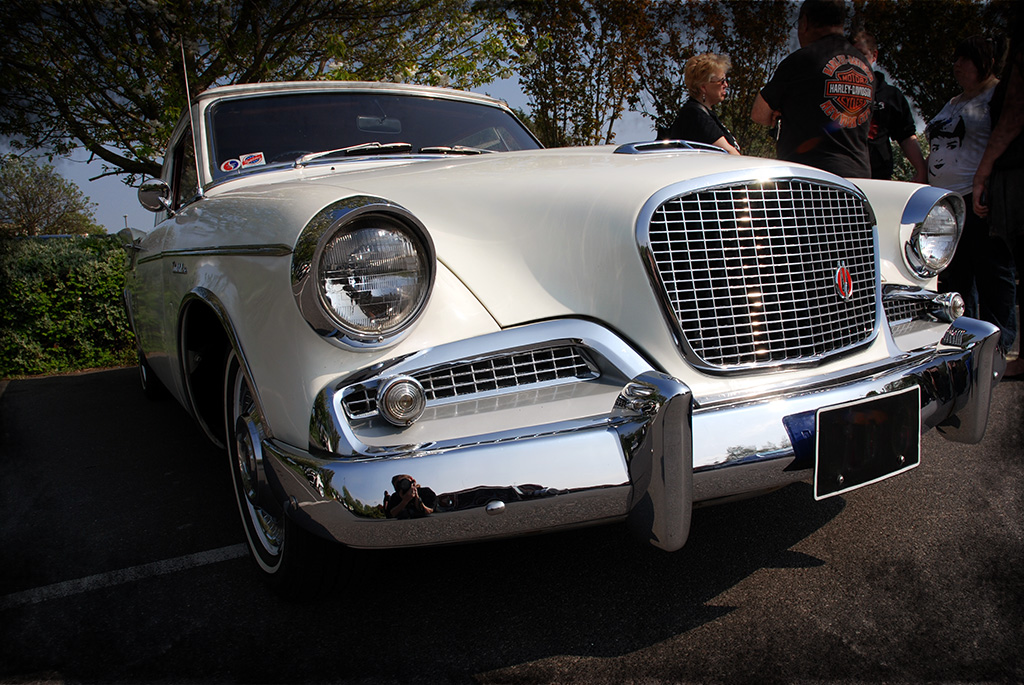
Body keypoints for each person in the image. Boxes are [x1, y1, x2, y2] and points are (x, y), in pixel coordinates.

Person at [928, 35, 1015, 356]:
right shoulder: (953, 102)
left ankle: (999, 345)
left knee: (992, 271)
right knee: (954, 275)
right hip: (946, 204)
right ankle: (963, 341)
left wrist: (988, 182)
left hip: (979, 197)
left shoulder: (998, 95)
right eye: (956, 59)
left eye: (964, 59)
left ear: (984, 62)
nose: (957, 66)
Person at [751, 0, 874, 177]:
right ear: (840, 22)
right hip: (857, 179)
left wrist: (783, 113)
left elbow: (759, 113)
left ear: (805, 23)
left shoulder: (801, 60)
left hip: (809, 180)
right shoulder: (865, 67)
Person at [973, 19, 1024, 375]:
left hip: (1015, 174)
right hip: (1011, 173)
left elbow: (1013, 117)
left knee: (1004, 264)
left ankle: (1013, 352)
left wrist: (984, 170)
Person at [851, 30, 928, 182]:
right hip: (843, 174)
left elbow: (906, 136)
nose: (857, 61)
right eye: (852, 55)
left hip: (879, 177)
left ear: (874, 56)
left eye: (862, 54)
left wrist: (922, 171)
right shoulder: (834, 93)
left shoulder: (891, 95)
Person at [661, 53, 741, 155]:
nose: (726, 85)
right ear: (703, 87)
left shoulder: (705, 114)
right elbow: (730, 153)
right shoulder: (695, 115)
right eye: (721, 81)